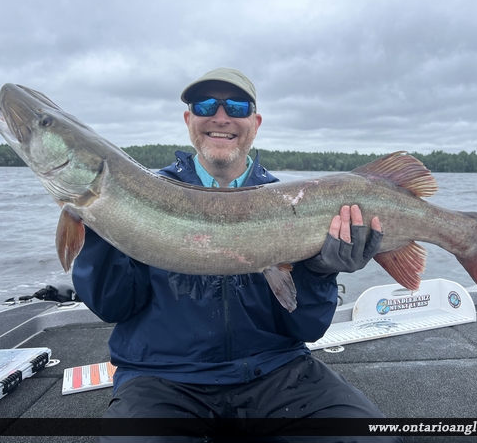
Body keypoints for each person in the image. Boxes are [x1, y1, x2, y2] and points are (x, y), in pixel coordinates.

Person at [72, 68, 400, 443]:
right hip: (162, 377)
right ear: (189, 119)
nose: (221, 116)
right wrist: (99, 226)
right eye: (206, 105)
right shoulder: (140, 191)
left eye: (238, 106)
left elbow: (306, 328)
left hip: (277, 371)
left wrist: (320, 270)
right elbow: (112, 306)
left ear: (255, 123)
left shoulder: (295, 202)